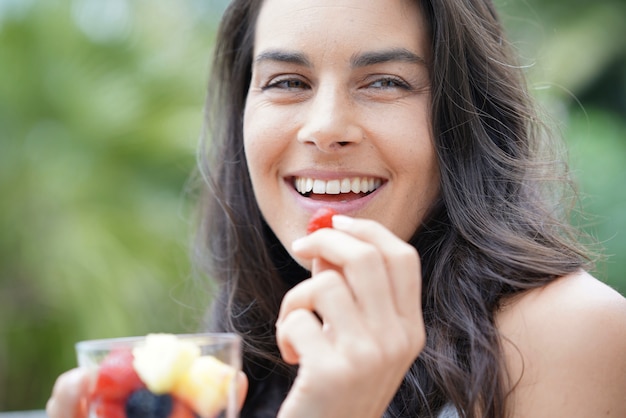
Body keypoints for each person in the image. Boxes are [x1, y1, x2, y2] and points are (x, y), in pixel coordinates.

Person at [47, 0, 626, 417]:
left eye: (385, 83)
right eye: (287, 82)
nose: (325, 129)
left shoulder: (568, 333)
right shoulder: (239, 358)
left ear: (462, 118)